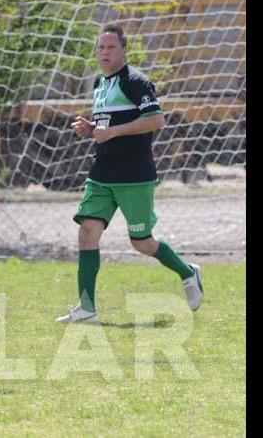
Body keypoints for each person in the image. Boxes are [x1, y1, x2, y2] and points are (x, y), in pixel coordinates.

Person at [57, 24, 204, 324]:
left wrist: (111, 132)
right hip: (102, 174)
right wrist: (91, 130)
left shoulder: (135, 81)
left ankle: (188, 273)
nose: (105, 53)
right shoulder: (99, 82)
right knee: (87, 232)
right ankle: (87, 309)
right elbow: (106, 128)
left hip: (134, 175)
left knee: (142, 242)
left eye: (111, 47)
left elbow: (155, 120)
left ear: (124, 51)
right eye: (101, 47)